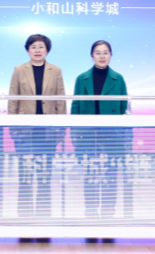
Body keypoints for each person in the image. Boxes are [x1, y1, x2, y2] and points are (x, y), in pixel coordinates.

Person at [7, 34, 66, 218]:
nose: (37, 50)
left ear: (47, 50)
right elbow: (13, 99)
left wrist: (60, 129)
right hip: (25, 131)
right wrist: (13, 128)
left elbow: (61, 101)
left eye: (41, 47)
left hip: (48, 131)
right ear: (28, 50)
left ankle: (43, 214)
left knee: (44, 176)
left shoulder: (55, 71)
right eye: (33, 47)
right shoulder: (19, 70)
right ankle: (24, 214)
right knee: (25, 176)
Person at [71, 40, 130, 219]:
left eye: (105, 52)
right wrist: (75, 135)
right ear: (92, 56)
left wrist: (124, 138)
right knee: (90, 174)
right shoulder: (81, 78)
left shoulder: (118, 78)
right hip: (88, 134)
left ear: (110, 55)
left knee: (110, 175)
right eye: (98, 52)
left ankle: (108, 210)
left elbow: (124, 108)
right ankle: (90, 210)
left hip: (111, 134)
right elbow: (75, 107)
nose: (102, 56)